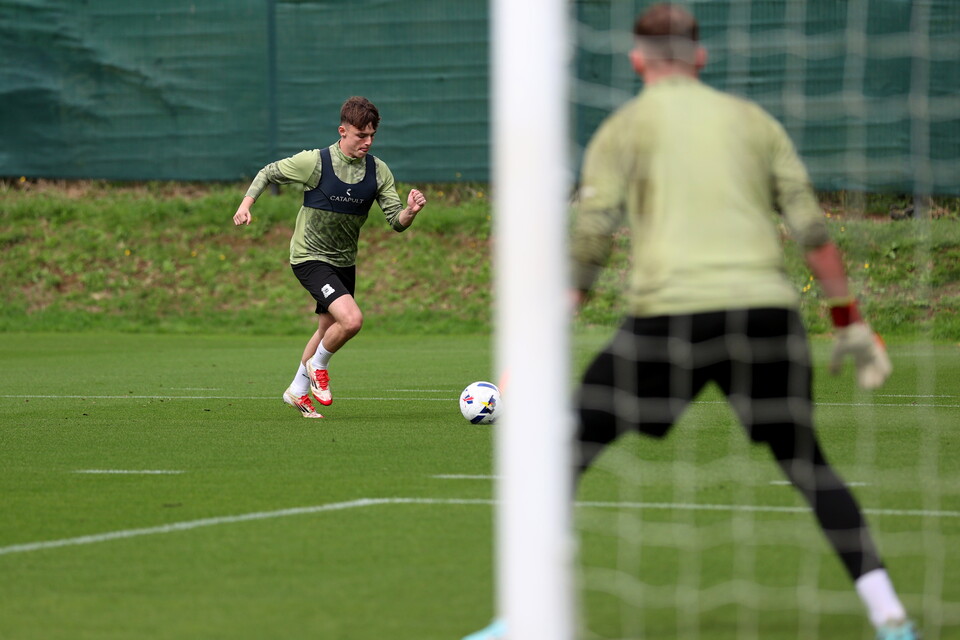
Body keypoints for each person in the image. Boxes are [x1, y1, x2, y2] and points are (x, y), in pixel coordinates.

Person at [464, 4, 914, 640]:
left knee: (564, 449)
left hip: (671, 321)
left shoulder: (623, 128)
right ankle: (891, 616)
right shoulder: (754, 121)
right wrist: (850, 323)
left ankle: (526, 619)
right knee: (807, 463)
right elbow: (813, 232)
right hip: (766, 318)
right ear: (701, 58)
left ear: (636, 60)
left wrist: (560, 313)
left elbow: (592, 237)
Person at [233, 96, 427, 419]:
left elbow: (396, 221)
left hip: (343, 262)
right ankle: (318, 366)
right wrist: (245, 204)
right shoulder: (316, 162)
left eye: (372, 136)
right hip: (309, 255)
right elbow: (268, 172)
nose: (367, 142)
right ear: (342, 131)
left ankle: (296, 390)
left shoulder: (378, 172)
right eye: (360, 136)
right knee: (351, 320)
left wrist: (410, 211)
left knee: (327, 329)